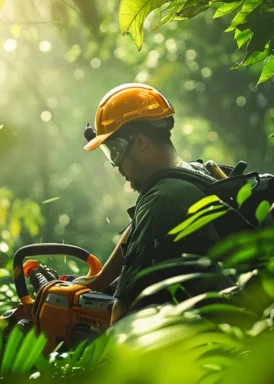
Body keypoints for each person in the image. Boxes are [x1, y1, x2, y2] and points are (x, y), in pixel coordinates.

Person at [72, 83, 231, 322]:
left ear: (141, 143)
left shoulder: (159, 202)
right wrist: (101, 278)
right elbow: (138, 225)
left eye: (115, 152)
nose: (116, 166)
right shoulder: (195, 173)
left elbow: (122, 313)